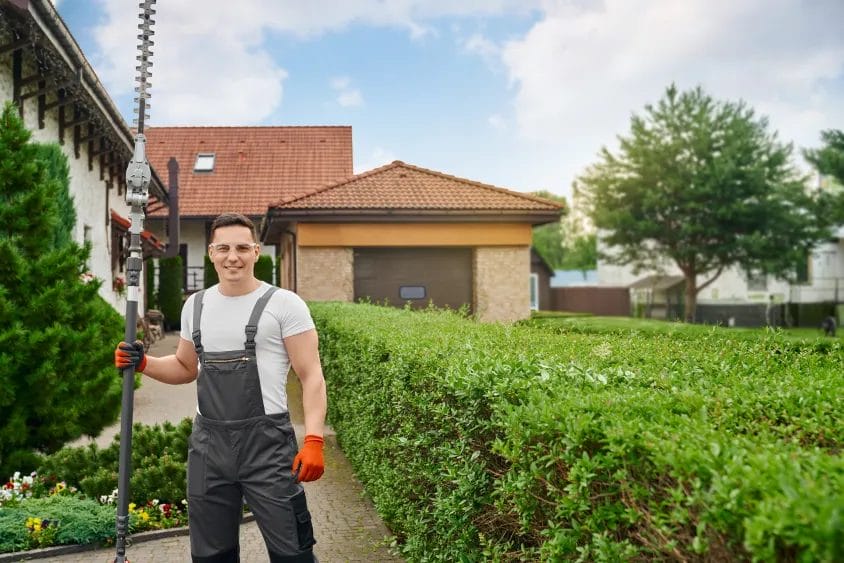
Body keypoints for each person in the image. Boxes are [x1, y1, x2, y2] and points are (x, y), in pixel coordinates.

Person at [115, 212, 327, 563]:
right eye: (224, 248)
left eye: (243, 247)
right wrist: (144, 364)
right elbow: (185, 367)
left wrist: (315, 439)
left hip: (268, 448)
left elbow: (311, 376)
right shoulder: (195, 305)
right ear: (211, 252)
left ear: (257, 252)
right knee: (212, 556)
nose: (233, 256)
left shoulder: (285, 305)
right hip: (208, 449)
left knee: (294, 553)